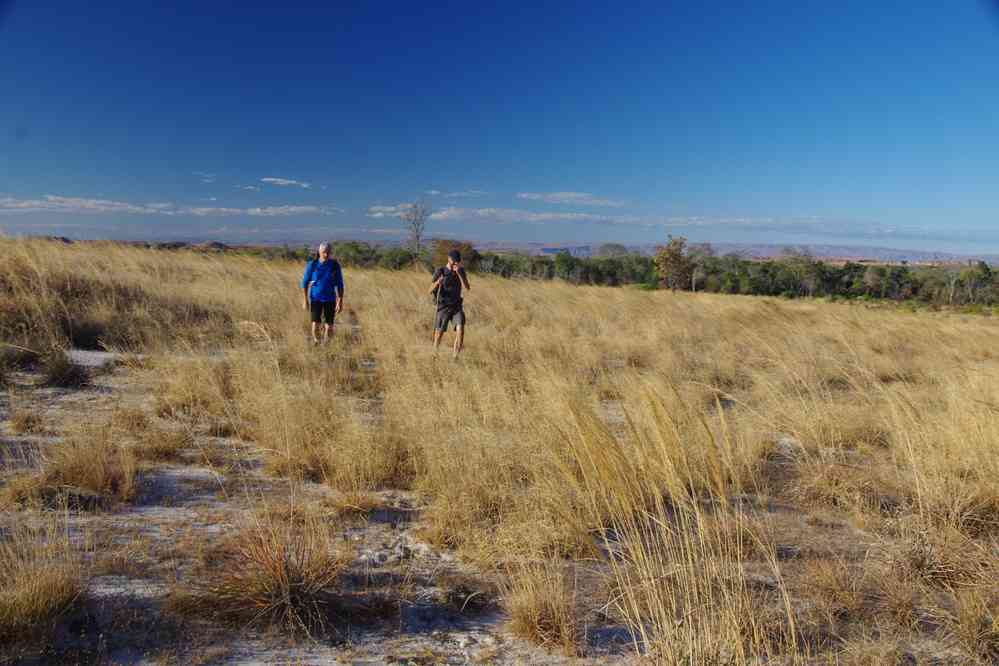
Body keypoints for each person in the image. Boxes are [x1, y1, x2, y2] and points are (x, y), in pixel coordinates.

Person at [429, 249, 471, 358]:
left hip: (457, 306)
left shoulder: (460, 270)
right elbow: (429, 290)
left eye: (457, 261)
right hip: (443, 306)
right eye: (454, 261)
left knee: (460, 329)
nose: (455, 263)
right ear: (449, 259)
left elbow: (467, 287)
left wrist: (459, 274)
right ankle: (434, 354)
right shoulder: (441, 271)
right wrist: (438, 282)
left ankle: (455, 357)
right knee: (439, 333)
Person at [301, 242, 344, 345]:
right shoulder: (313, 265)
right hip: (316, 299)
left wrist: (340, 301)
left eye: (328, 252)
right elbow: (305, 283)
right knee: (315, 324)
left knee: (329, 326)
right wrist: (305, 300)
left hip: (330, 299)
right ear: (319, 252)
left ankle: (326, 345)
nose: (326, 255)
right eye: (324, 252)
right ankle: (317, 341)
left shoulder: (334, 266)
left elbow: (340, 284)